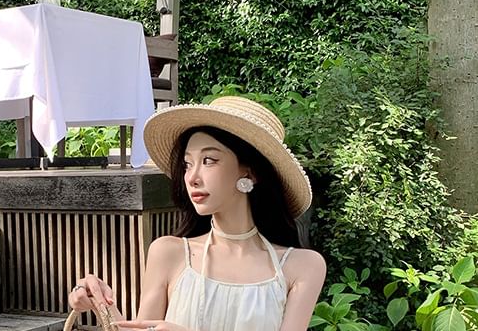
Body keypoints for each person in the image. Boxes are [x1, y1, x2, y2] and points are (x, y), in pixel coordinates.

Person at [68, 96, 326, 331]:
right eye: (187, 164)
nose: (192, 177)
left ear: (249, 172)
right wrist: (100, 301)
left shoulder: (302, 267)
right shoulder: (168, 253)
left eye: (209, 160)